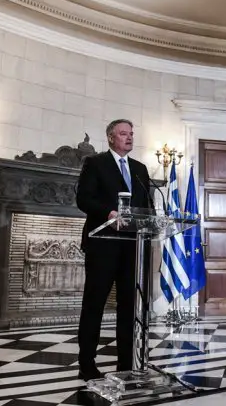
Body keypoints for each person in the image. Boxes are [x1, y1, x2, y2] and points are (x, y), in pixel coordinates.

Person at [75, 119, 154, 381]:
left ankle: (126, 362)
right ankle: (86, 363)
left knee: (129, 306)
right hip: (103, 244)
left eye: (131, 133)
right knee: (94, 304)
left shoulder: (140, 169)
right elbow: (83, 199)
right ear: (111, 138)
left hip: (132, 247)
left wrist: (151, 221)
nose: (129, 138)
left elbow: (148, 207)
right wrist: (109, 213)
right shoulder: (95, 163)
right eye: (123, 134)